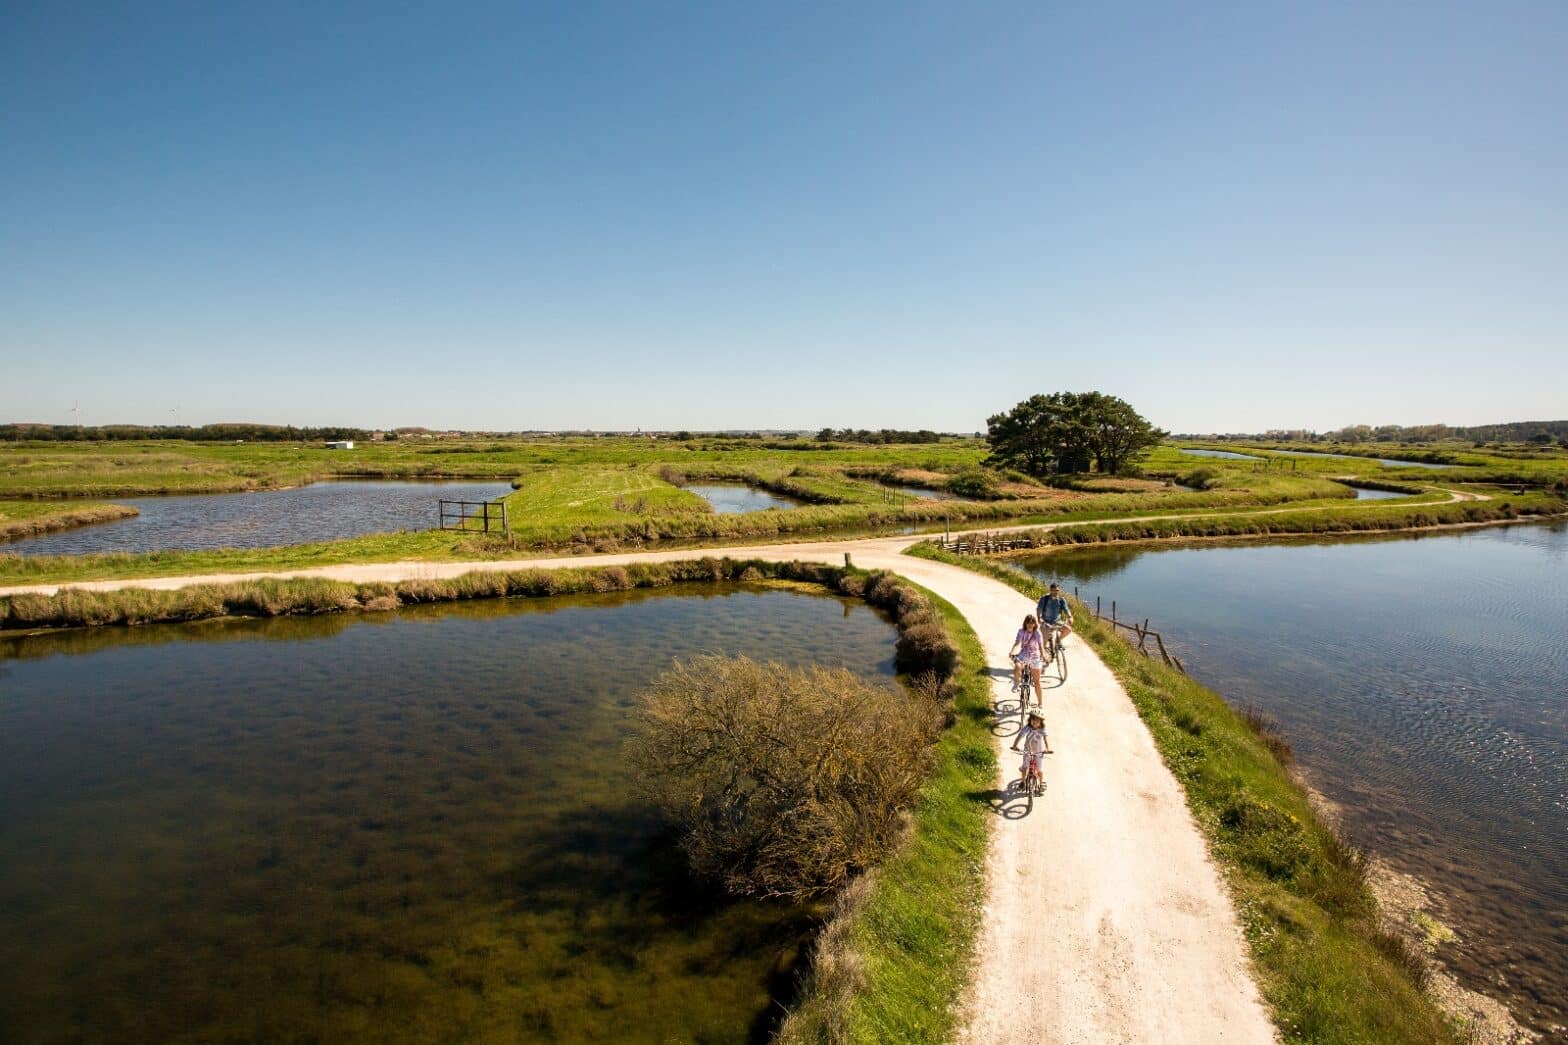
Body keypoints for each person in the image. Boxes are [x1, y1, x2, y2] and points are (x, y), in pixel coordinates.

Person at [1008, 614, 1047, 711]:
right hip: (1024, 654)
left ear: (1034, 624)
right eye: (1028, 622)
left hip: (1035, 656)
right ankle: (1016, 683)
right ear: (1025, 623)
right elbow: (1017, 643)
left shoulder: (1037, 633)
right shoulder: (1021, 632)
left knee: (1037, 682)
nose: (1030, 624)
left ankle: (1040, 703)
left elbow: (1041, 645)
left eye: (1032, 623)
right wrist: (1012, 651)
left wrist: (1043, 655)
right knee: (1017, 666)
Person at [1011, 710, 1051, 793]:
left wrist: (1047, 748)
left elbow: (1045, 738)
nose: (1035, 722)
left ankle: (1040, 784)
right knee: (1025, 767)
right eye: (1033, 720)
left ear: (1041, 722)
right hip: (1027, 750)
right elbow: (1020, 736)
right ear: (1030, 720)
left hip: (1038, 752)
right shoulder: (1027, 728)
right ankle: (1022, 781)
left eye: (1037, 721)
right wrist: (1015, 745)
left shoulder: (1042, 729)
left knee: (1039, 770)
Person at [1036, 582, 1073, 661]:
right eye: (1053, 590)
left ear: (1058, 591)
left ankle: (1057, 641)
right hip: (1046, 622)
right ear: (1050, 590)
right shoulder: (1044, 598)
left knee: (1068, 629)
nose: (1055, 592)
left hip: (1057, 621)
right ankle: (1041, 659)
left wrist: (1070, 617)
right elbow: (1039, 609)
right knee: (1044, 642)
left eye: (1056, 590)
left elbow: (1066, 609)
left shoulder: (1061, 600)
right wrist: (1039, 618)